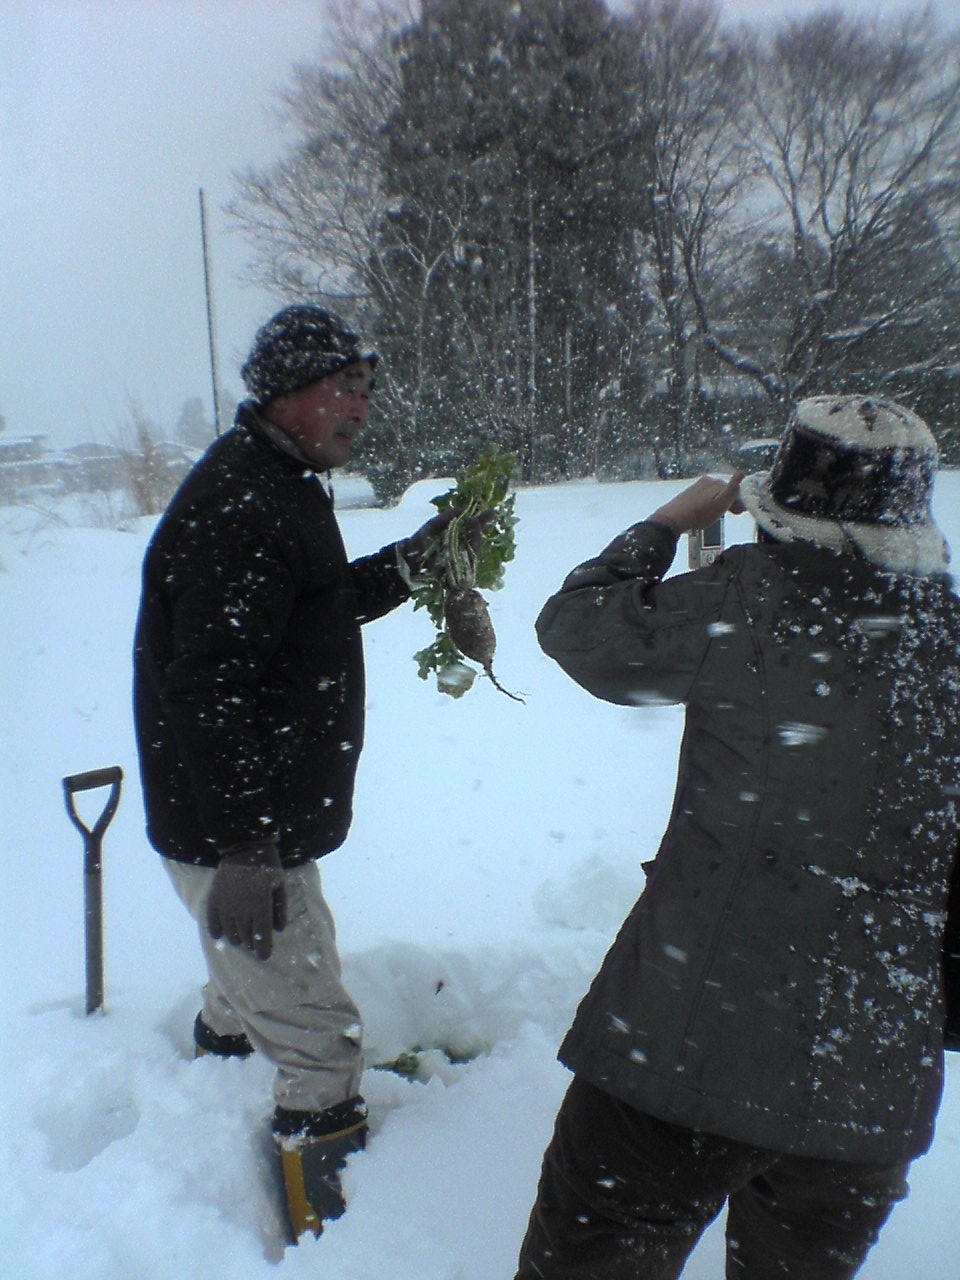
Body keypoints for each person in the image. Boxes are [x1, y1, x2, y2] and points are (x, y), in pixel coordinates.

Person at [516, 395, 960, 1279]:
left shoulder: (744, 599)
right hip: (869, 1086)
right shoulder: (947, 639)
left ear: (776, 503)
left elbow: (575, 630)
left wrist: (665, 523)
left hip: (682, 1051)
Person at [133, 304, 472, 1241]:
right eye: (345, 388)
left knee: (240, 974)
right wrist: (246, 847)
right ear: (288, 395)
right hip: (238, 832)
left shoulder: (281, 483)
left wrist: (411, 566)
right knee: (319, 1035)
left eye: (368, 388)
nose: (362, 407)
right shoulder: (245, 508)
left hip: (240, 819)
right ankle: (334, 1230)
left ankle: (217, 1071)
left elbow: (310, 610)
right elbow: (208, 691)